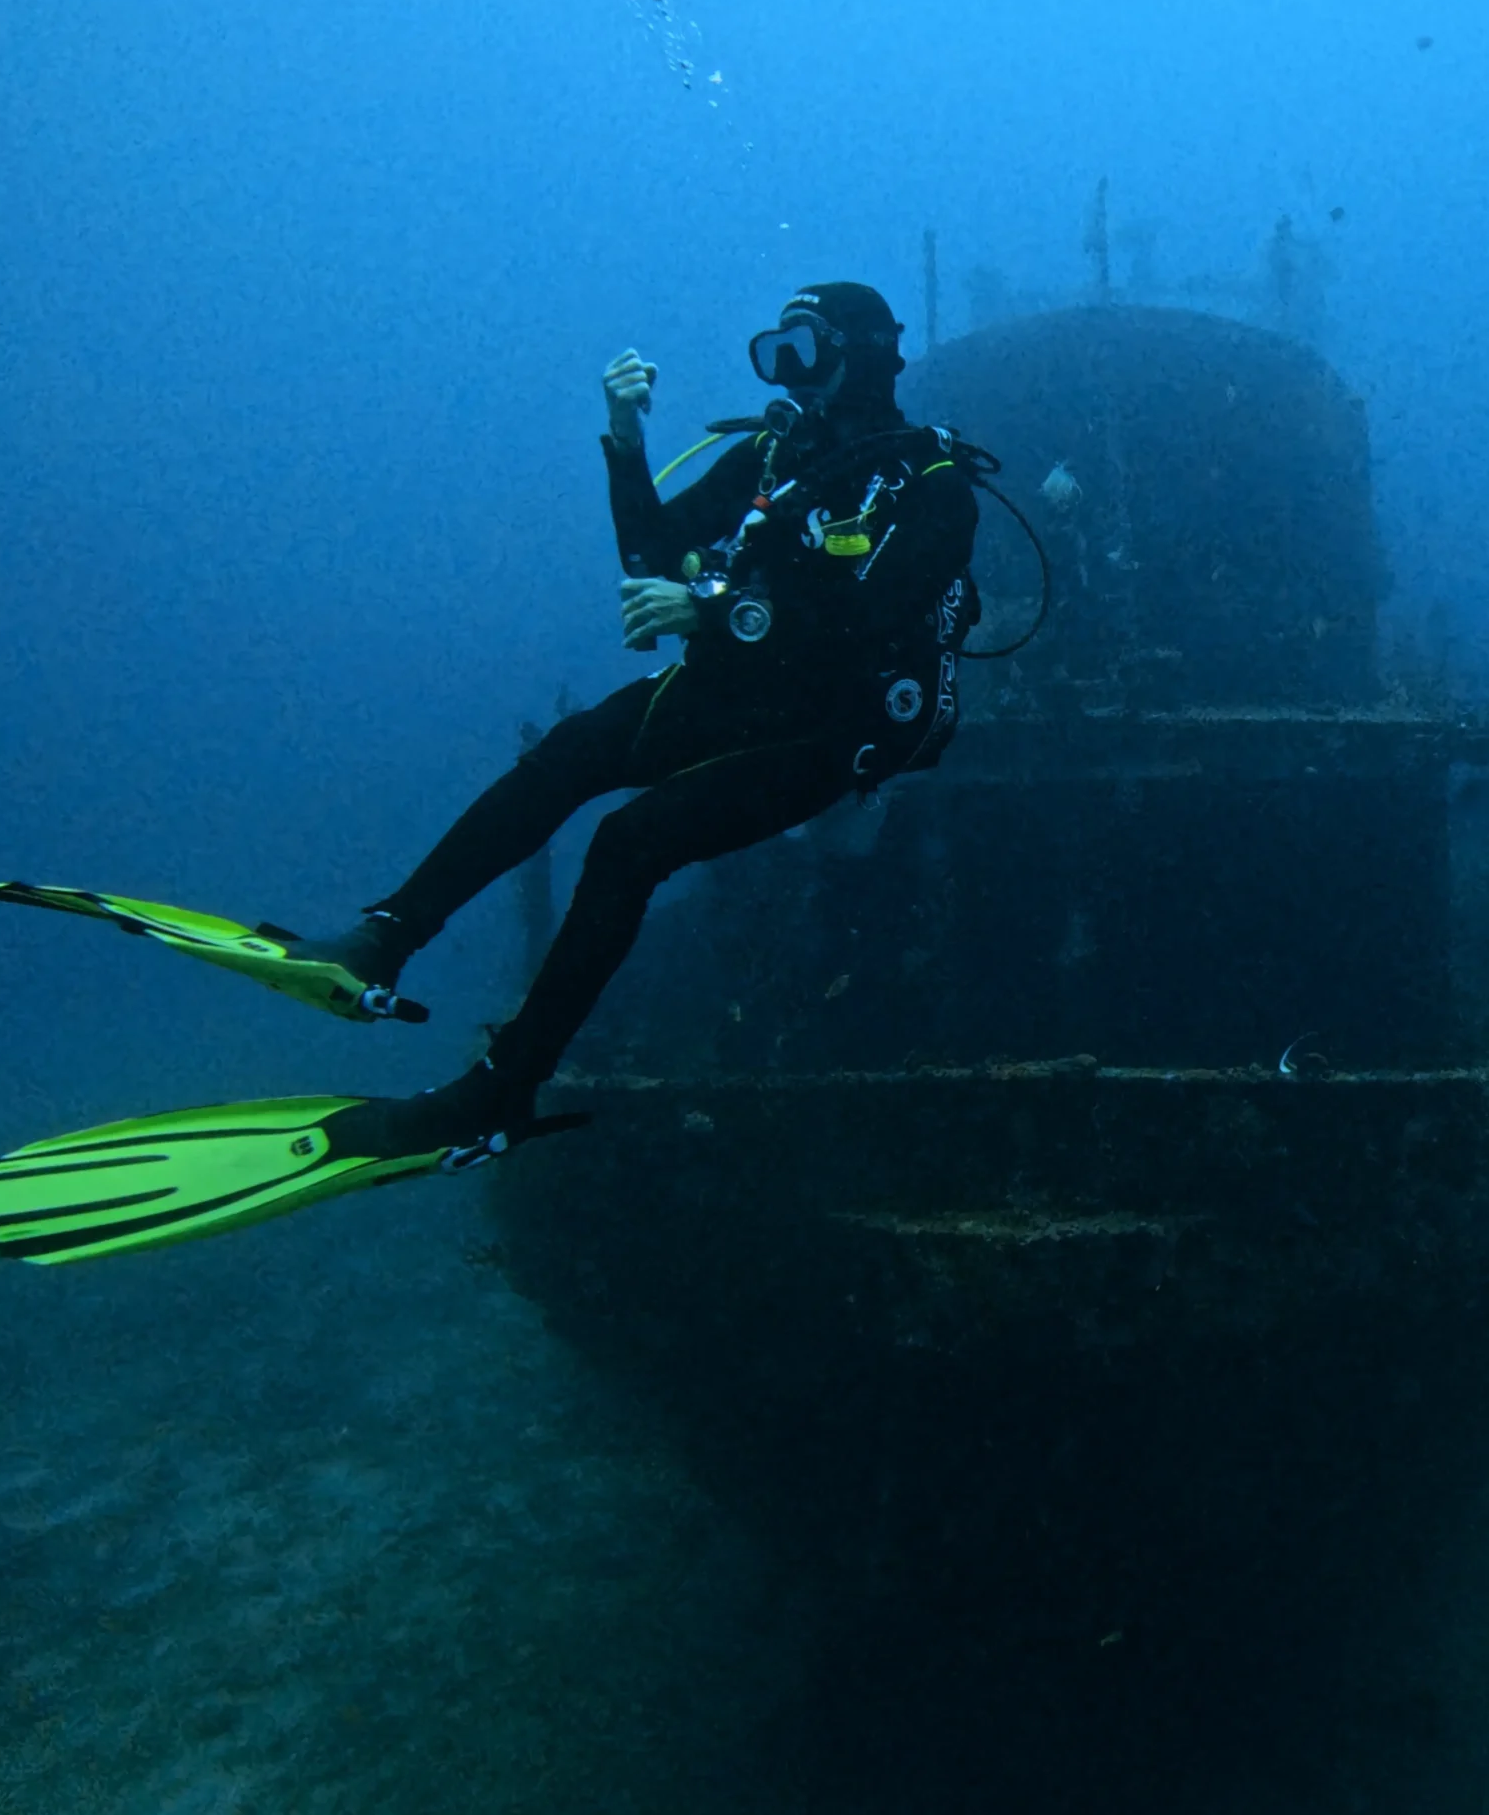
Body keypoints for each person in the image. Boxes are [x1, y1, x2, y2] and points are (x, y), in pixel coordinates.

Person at [305, 280, 982, 1161]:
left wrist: (711, 614)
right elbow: (655, 554)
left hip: (833, 727)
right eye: (777, 352)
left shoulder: (932, 484)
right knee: (570, 754)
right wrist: (627, 444)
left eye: (805, 351)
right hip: (744, 688)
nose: (787, 373)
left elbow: (865, 621)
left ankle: (500, 1089)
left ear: (860, 355)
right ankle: (386, 937)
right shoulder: (776, 459)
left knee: (632, 842)